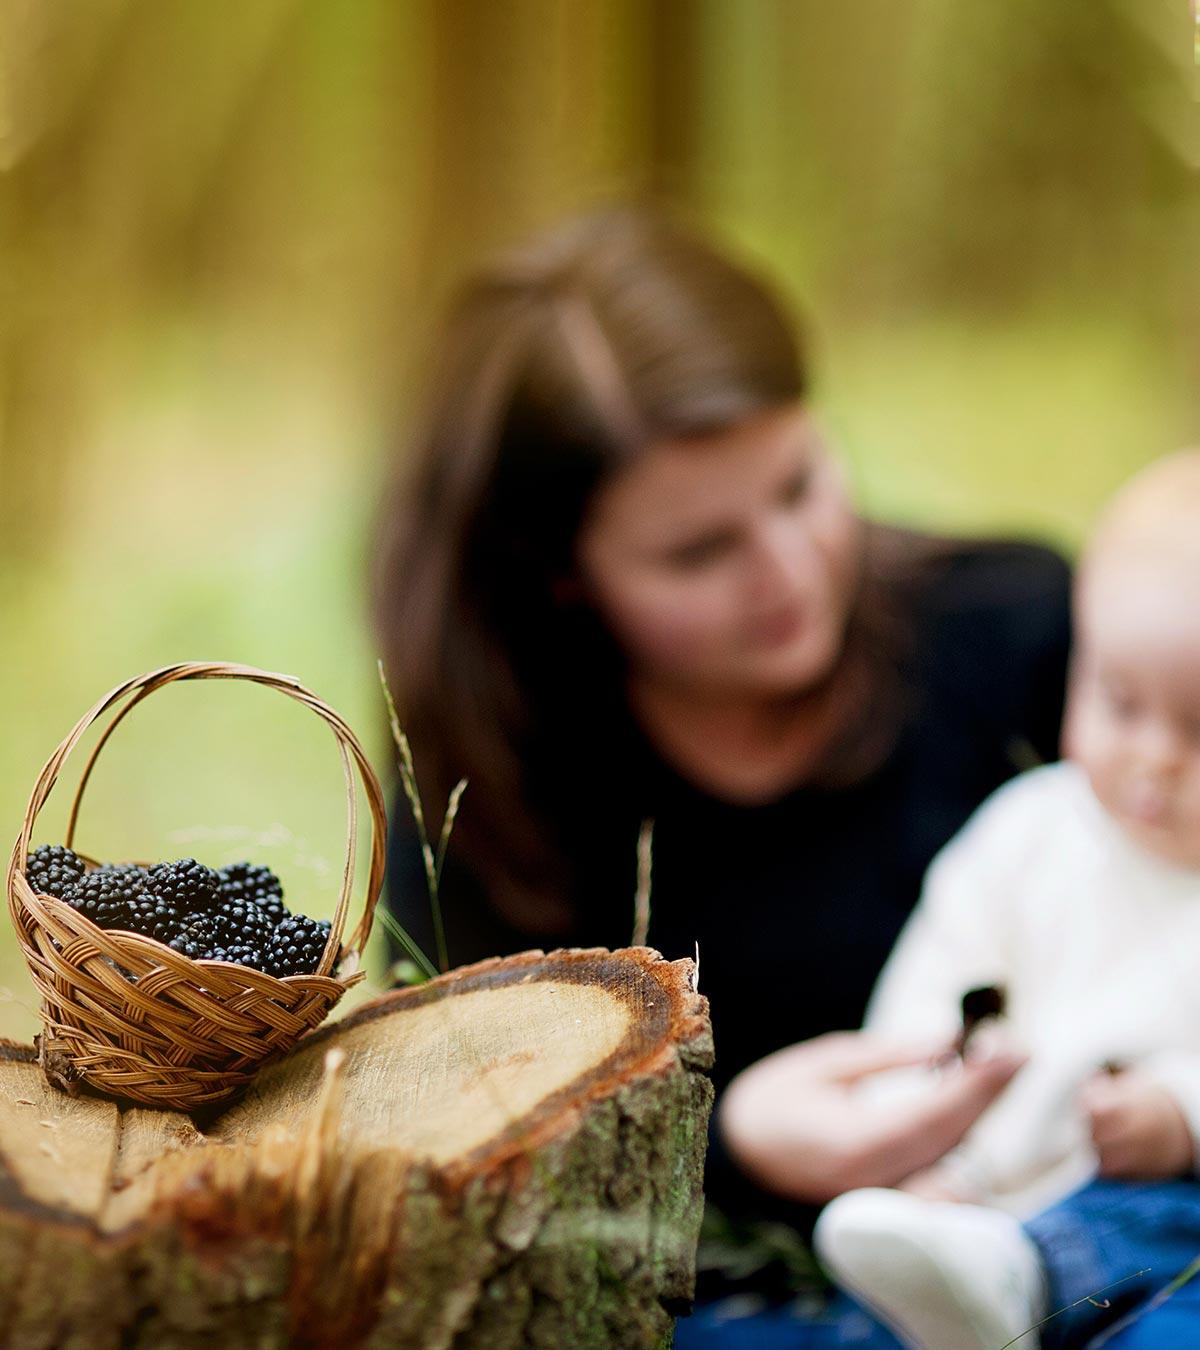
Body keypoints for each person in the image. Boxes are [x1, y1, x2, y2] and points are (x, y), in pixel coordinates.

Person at [371, 206, 1071, 1332]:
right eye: (700, 552)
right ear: (562, 574)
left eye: (799, 485)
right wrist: (734, 1144)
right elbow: (479, 1182)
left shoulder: (1028, 639)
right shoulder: (485, 792)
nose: (791, 570)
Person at [810, 450, 1200, 1348]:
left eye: (1196, 725)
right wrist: (913, 1136)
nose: (1153, 754)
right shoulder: (1034, 832)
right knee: (874, 1315)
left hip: (1155, 1212)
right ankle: (966, 1281)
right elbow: (943, 971)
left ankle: (1029, 1283)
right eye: (1119, 701)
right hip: (986, 1187)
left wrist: (1180, 1114)